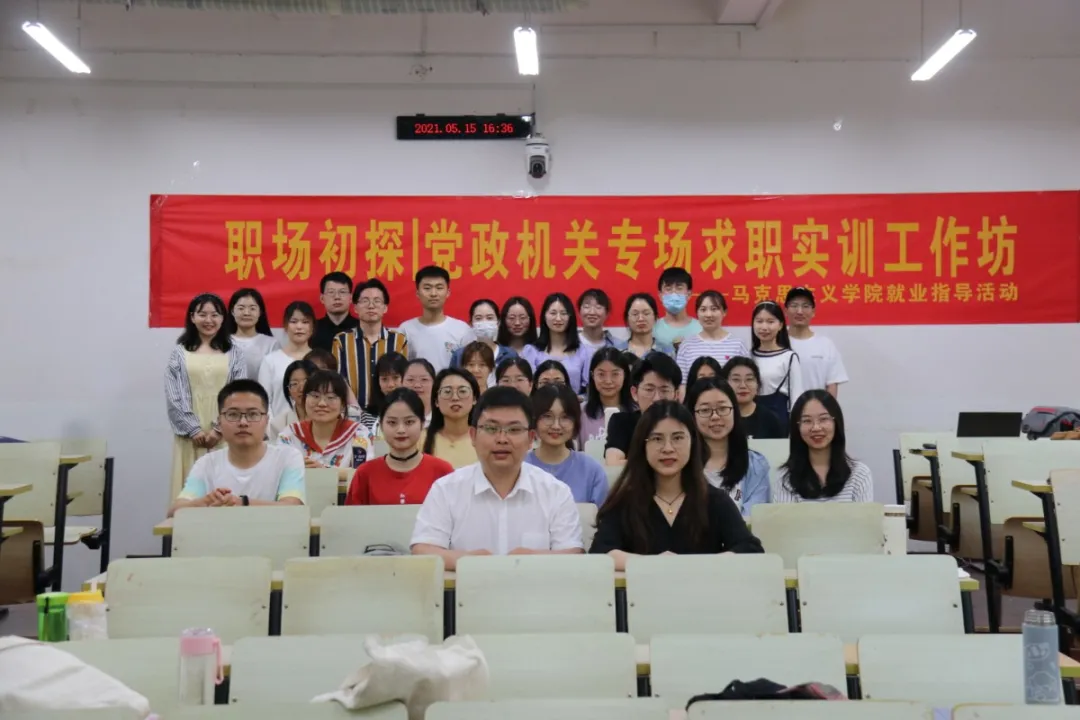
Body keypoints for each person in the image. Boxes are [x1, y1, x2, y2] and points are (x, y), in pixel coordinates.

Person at [410, 387, 585, 568]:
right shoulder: (446, 489)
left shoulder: (556, 492)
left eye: (514, 429)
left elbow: (572, 553)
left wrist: (528, 560)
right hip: (470, 586)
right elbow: (423, 549)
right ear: (473, 436)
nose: (502, 439)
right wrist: (470, 562)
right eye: (491, 428)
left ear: (530, 438)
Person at [589, 401, 763, 567]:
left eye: (678, 438)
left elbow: (750, 549)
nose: (668, 448)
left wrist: (693, 565)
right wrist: (652, 564)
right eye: (657, 439)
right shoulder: (625, 502)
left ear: (692, 442)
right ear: (642, 445)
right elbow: (600, 552)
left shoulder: (714, 500)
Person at [169, 380, 306, 517]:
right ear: (219, 422)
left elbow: (292, 508)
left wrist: (242, 503)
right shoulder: (206, 463)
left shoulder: (287, 457)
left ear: (266, 421)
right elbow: (174, 512)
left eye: (253, 414)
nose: (243, 422)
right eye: (233, 414)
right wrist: (207, 501)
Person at [166, 293, 248, 500]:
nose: (209, 320)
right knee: (190, 492)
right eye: (202, 314)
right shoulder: (179, 353)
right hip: (189, 438)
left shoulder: (235, 353)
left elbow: (238, 392)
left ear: (223, 318)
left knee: (226, 492)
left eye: (215, 315)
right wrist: (193, 429)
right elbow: (174, 395)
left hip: (225, 434)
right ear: (192, 317)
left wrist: (218, 429)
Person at [346, 388, 453, 506]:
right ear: (381, 425)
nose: (401, 430)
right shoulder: (365, 474)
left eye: (409, 422)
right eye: (392, 422)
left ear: (422, 424)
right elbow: (352, 516)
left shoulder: (442, 471)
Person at [685, 378, 771, 518]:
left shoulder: (755, 465)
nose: (715, 416)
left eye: (722, 408)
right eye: (705, 410)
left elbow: (754, 518)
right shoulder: (683, 464)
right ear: (692, 416)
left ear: (734, 411)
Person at [774, 390, 873, 503]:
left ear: (836, 422)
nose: (816, 428)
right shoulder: (785, 477)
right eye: (807, 421)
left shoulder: (859, 474)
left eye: (824, 419)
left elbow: (865, 515)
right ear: (797, 427)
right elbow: (784, 515)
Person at [277, 370, 373, 479]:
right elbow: (277, 475)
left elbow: (365, 477)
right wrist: (295, 470)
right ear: (304, 400)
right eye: (315, 396)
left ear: (343, 404)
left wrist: (324, 472)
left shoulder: (359, 435)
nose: (322, 403)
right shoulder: (289, 435)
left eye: (330, 397)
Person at [332, 278, 408, 411]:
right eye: (365, 301)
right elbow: (338, 378)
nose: (371, 306)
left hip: (391, 411)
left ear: (385, 308)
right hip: (353, 412)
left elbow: (404, 378)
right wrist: (355, 410)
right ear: (355, 307)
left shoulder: (399, 340)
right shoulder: (341, 340)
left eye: (377, 301)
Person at [526, 384, 609, 505]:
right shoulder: (519, 467)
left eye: (565, 417)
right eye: (547, 416)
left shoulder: (592, 470)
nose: (556, 426)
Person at [604, 352, 681, 466]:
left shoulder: (684, 424)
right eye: (649, 390)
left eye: (664, 390)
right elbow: (613, 462)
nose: (656, 398)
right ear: (634, 393)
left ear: (676, 395)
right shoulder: (621, 422)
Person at [399, 266, 475, 372]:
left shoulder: (462, 330)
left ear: (448, 292)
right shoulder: (406, 330)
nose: (433, 294)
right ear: (418, 293)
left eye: (439, 288)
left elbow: (470, 368)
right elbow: (400, 368)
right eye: (427, 288)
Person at [676, 291, 749, 393]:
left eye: (714, 309)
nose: (708, 314)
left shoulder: (738, 345)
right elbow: (682, 385)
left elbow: (746, 380)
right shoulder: (686, 346)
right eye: (703, 309)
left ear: (724, 312)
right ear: (697, 313)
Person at [521, 292, 594, 394]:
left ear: (570, 317)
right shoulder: (531, 351)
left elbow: (589, 391)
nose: (558, 318)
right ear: (544, 316)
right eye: (553, 313)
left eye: (563, 313)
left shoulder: (585, 352)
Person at [785, 287, 849, 397]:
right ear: (786, 311)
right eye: (794, 306)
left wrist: (828, 408)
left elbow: (832, 385)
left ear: (813, 312)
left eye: (805, 306)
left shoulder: (826, 345)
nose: (799, 311)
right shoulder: (776, 343)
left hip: (816, 407)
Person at [258, 301, 316, 418]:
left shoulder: (320, 360)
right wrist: (273, 427)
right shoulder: (270, 360)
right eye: (293, 321)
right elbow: (263, 401)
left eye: (305, 322)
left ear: (312, 327)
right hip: (279, 426)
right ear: (285, 325)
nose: (299, 327)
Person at [750, 301, 804, 426]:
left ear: (780, 325)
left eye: (770, 322)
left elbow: (796, 397)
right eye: (759, 321)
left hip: (778, 421)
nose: (764, 327)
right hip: (752, 420)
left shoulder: (789, 357)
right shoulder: (748, 356)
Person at [423, 368, 481, 469]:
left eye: (462, 391)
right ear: (436, 401)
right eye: (447, 392)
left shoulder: (484, 439)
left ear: (474, 399)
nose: (455, 398)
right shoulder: (420, 438)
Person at [451, 299, 518, 379]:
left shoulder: (510, 354)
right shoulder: (460, 355)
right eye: (478, 318)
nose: (484, 322)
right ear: (471, 323)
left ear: (498, 322)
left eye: (489, 318)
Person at [722, 357, 786, 439]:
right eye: (736, 379)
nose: (743, 385)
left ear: (758, 385)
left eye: (749, 379)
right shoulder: (719, 417)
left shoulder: (770, 419)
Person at [580, 347, 633, 448]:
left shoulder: (637, 411)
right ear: (592, 375)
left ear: (625, 375)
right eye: (601, 374)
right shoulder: (581, 412)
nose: (608, 381)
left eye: (615, 374)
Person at [227, 288, 279, 379]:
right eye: (241, 308)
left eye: (252, 308)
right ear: (232, 311)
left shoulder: (271, 344)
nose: (246, 313)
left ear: (260, 312)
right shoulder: (222, 342)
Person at [653, 268, 702, 350]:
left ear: (689, 294)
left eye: (679, 288)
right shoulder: (652, 329)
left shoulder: (701, 328)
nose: (674, 293)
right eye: (668, 289)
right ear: (660, 295)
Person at [268, 359, 316, 442]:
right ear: (288, 391)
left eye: (306, 382)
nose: (301, 389)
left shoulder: (331, 418)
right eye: (294, 384)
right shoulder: (278, 425)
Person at [312, 271, 359, 351]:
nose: (337, 297)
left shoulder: (362, 328)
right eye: (331, 292)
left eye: (342, 292)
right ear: (322, 298)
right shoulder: (312, 329)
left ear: (351, 298)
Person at [624, 293, 675, 358]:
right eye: (635, 314)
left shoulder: (667, 350)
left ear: (655, 317)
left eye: (646, 313)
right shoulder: (618, 351)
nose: (641, 319)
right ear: (627, 318)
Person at [368, 351, 408, 419]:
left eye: (395, 378)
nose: (390, 385)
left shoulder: (417, 411)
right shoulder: (368, 416)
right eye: (384, 379)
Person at [403, 358, 437, 427]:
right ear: (401, 383)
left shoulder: (444, 419)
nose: (417, 385)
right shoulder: (391, 415)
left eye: (424, 379)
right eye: (410, 380)